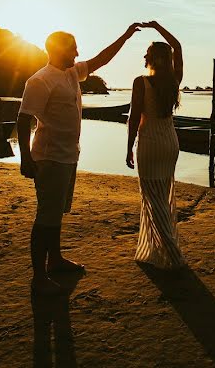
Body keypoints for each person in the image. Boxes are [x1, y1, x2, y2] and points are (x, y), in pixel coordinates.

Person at [18, 24, 141, 295]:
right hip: (49, 158)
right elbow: (24, 118)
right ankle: (39, 277)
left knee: (56, 214)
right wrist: (25, 159)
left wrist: (126, 35)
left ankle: (56, 260)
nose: (77, 52)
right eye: (73, 47)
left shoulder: (72, 73)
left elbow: (101, 59)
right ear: (61, 49)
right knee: (45, 217)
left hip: (68, 156)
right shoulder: (40, 80)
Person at [126, 21, 185, 270]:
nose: (144, 56)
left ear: (155, 58)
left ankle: (173, 255)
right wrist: (157, 27)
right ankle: (158, 250)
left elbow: (134, 117)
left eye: (147, 53)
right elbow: (178, 46)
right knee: (161, 194)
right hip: (170, 142)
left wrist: (128, 147)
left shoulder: (142, 82)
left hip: (150, 144)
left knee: (153, 199)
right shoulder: (173, 80)